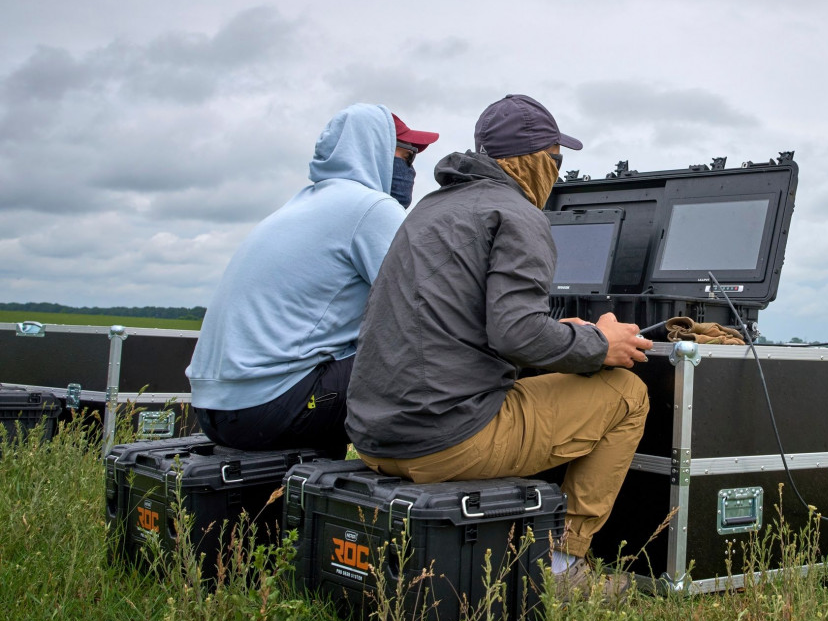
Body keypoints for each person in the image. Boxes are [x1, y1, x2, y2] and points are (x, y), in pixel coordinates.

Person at [346, 94, 651, 587]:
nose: (556, 170)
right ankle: (564, 564)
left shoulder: (428, 210)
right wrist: (600, 345)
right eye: (555, 158)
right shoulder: (519, 215)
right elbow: (515, 332)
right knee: (627, 394)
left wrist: (565, 335)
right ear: (532, 160)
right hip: (445, 441)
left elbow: (467, 323)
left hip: (377, 438)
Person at [186, 104, 438, 456]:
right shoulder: (371, 208)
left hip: (214, 410)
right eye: (407, 155)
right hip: (267, 408)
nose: (411, 169)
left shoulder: (298, 206)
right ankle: (436, 472)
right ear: (373, 150)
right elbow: (426, 308)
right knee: (426, 357)